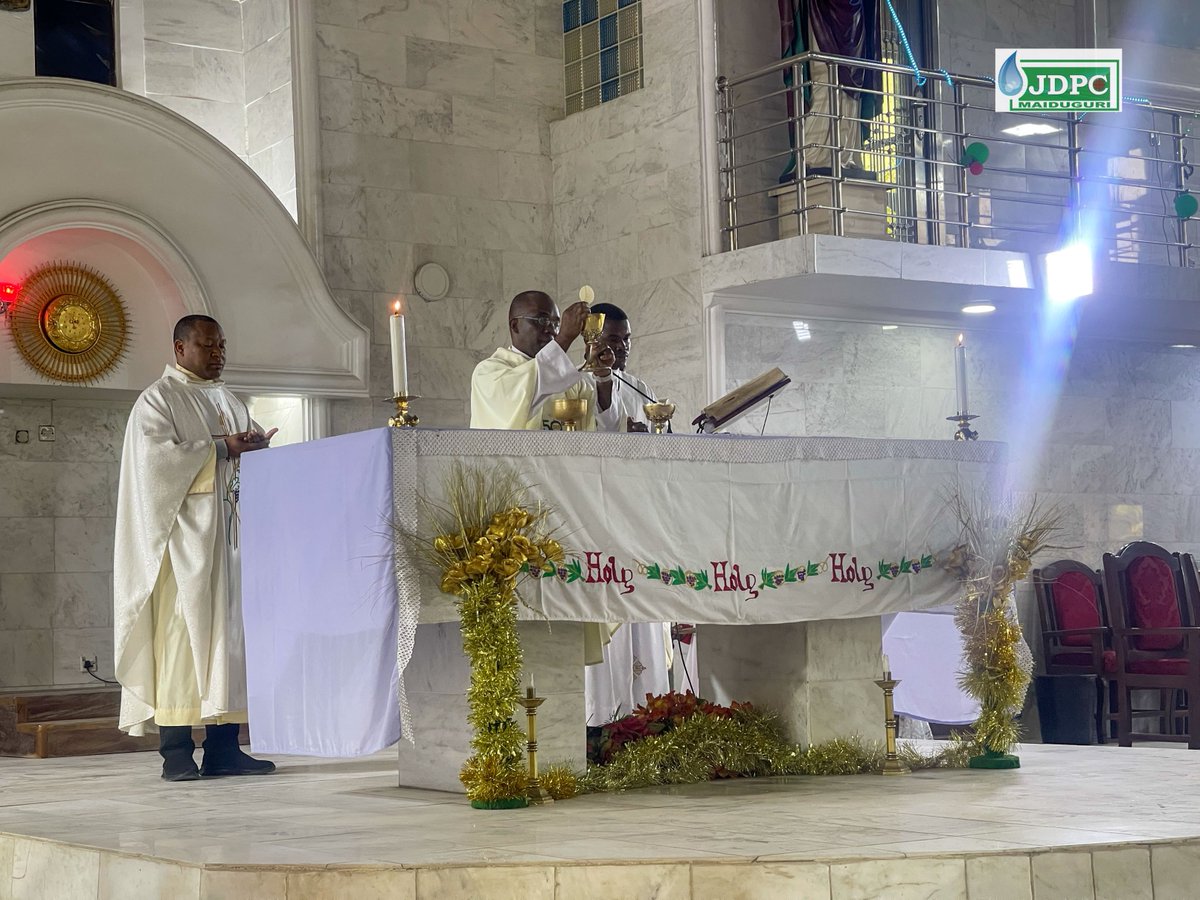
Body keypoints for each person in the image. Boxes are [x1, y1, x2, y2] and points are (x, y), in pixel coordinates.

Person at [113, 315, 278, 781]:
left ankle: (225, 749)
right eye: (207, 345)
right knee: (181, 645)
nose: (218, 353)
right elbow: (154, 466)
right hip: (182, 551)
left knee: (228, 646)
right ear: (180, 349)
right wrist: (221, 449)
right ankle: (177, 753)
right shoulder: (157, 401)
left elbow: (241, 460)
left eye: (222, 345)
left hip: (229, 549)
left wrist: (257, 449)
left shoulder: (229, 399)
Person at [470, 290, 620, 431]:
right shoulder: (488, 373)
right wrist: (564, 338)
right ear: (514, 326)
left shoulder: (570, 382)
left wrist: (603, 378)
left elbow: (605, 428)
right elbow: (530, 389)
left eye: (556, 323)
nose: (552, 330)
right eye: (542, 320)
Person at [591, 302, 654, 433]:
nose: (622, 346)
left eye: (626, 338)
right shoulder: (575, 383)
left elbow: (662, 439)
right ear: (592, 339)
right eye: (613, 340)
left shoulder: (640, 389)